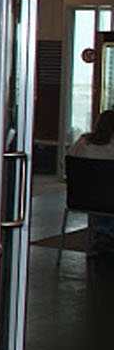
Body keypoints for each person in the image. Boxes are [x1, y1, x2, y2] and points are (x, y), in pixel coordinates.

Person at [68, 108, 114, 256]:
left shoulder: (82, 142)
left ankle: (102, 234)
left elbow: (66, 163)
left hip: (81, 199)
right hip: (108, 201)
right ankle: (107, 234)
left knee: (99, 192)